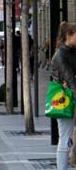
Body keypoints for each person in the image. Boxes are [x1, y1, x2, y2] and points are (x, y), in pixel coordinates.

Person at [50, 22, 76, 170]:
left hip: (71, 96)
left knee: (66, 138)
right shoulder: (60, 54)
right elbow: (71, 80)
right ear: (69, 36)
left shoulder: (71, 51)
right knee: (65, 138)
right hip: (65, 100)